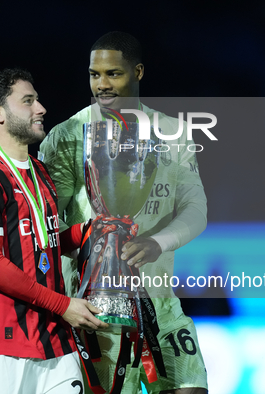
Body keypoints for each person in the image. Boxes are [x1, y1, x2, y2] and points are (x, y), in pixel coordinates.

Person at [39, 33, 209, 394]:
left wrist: (158, 243)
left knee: (191, 386)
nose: (102, 84)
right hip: (95, 306)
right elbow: (48, 224)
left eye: (113, 74)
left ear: (139, 72)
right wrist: (92, 240)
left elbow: (197, 210)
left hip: (159, 300)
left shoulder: (173, 133)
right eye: (94, 74)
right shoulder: (67, 135)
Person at [0, 68, 108, 394]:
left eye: (37, 99)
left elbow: (42, 243)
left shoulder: (39, 171)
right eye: (28, 101)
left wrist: (91, 230)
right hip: (0, 345)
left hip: (55, 343)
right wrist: (64, 305)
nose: (41, 108)